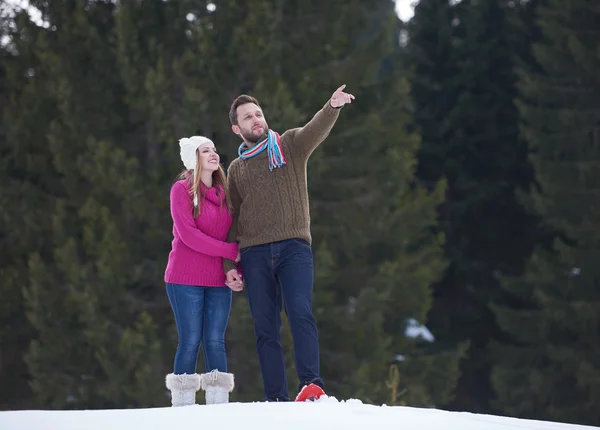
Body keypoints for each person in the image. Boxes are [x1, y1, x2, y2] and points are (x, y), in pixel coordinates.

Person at [223, 85, 355, 402]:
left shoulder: (290, 145)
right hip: (254, 255)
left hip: (294, 248)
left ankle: (311, 385)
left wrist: (332, 106)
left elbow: (315, 129)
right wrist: (229, 264)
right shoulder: (236, 169)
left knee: (300, 313)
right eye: (247, 117)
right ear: (236, 128)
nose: (255, 120)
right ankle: (276, 398)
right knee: (266, 329)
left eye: (258, 113)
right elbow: (232, 219)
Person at [164, 135, 244, 407]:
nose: (213, 154)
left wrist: (235, 269)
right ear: (192, 159)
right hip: (185, 278)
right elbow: (189, 236)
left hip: (218, 280)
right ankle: (183, 406)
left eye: (213, 149)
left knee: (215, 341)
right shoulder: (181, 190)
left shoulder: (225, 195)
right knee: (190, 340)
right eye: (204, 150)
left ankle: (218, 405)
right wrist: (230, 252)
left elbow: (233, 233)